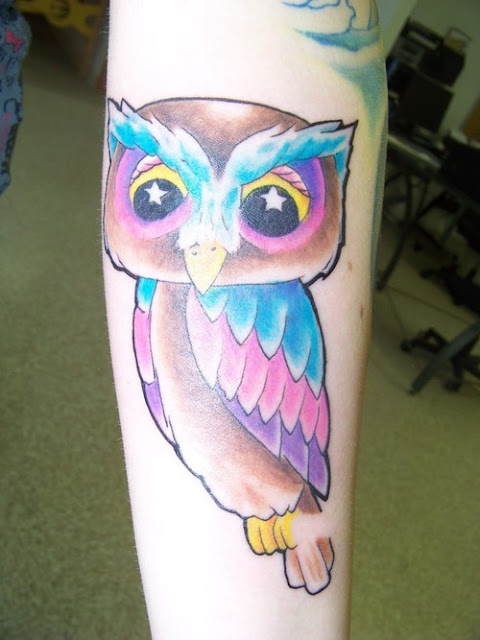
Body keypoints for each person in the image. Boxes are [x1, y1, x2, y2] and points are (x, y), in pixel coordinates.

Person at [102, 1, 387, 637]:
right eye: (159, 194)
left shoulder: (258, 302)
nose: (207, 246)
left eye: (270, 205)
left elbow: (247, 29)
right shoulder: (155, 297)